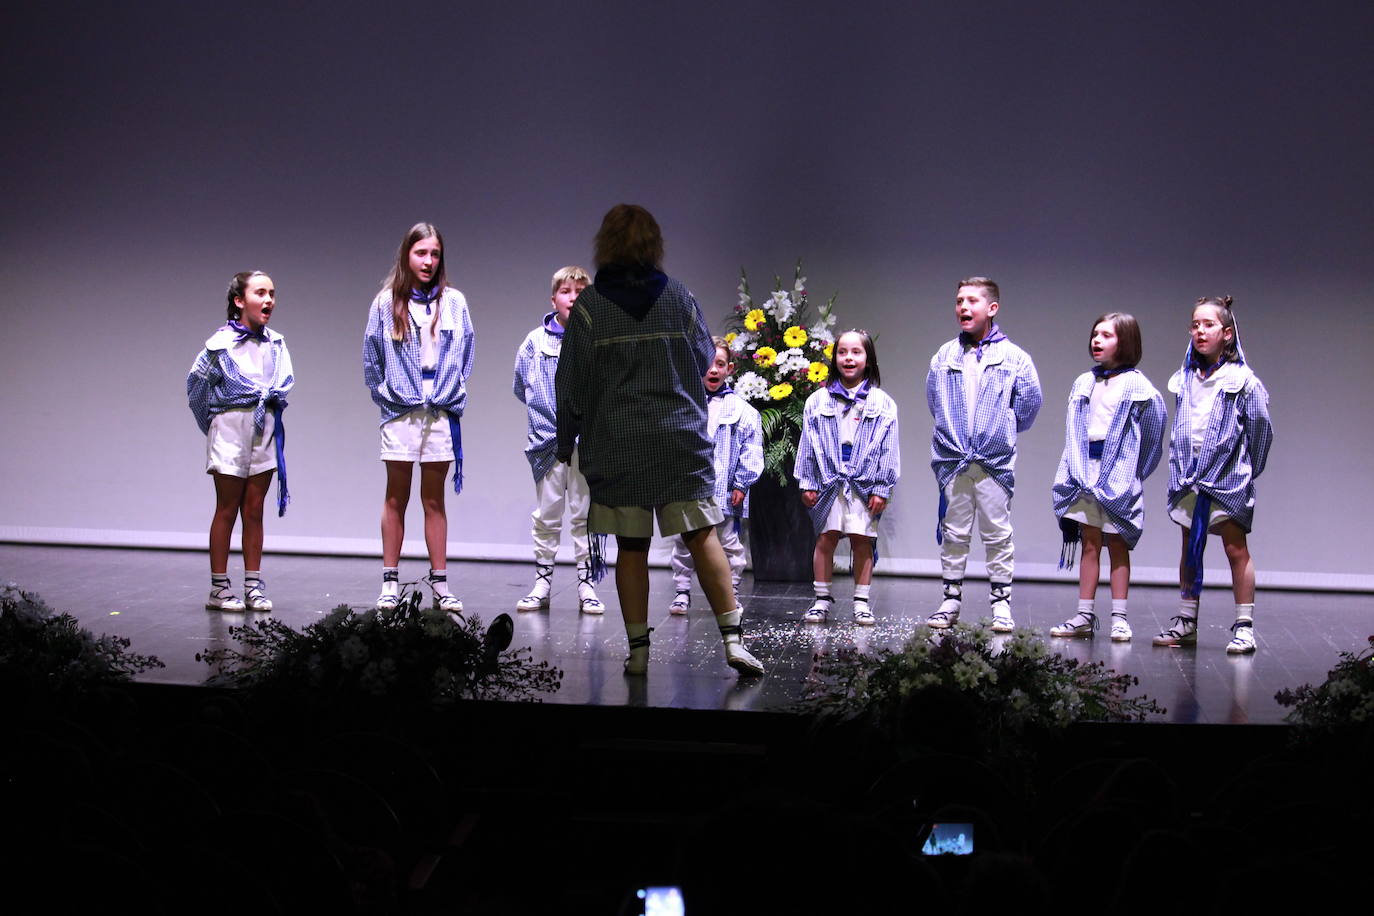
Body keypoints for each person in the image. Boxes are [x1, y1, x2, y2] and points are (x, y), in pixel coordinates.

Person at [554, 203, 763, 676]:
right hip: (678, 442)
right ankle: (733, 639)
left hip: (618, 443)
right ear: (654, 243)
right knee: (700, 533)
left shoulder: (589, 309)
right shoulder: (678, 298)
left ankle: (639, 652)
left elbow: (570, 385)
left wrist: (565, 443)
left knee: (632, 547)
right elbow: (705, 355)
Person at [362, 222, 475, 613]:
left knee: (434, 499)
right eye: (421, 253)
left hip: (439, 410)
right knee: (396, 494)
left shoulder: (455, 302)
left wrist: (450, 390)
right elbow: (371, 359)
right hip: (401, 412)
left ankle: (440, 583)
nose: (428, 261)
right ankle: (390, 581)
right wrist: (390, 397)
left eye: (435, 254)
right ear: (406, 256)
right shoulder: (385, 303)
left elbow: (467, 353)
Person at [1153, 296, 1273, 653]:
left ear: (1228, 333)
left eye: (1208, 325)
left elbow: (1261, 432)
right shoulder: (1185, 379)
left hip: (1226, 479)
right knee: (1189, 547)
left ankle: (1244, 625)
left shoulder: (1243, 381)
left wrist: (1245, 470)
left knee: (1235, 548)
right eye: (1195, 325)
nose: (1200, 331)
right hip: (1190, 479)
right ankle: (1187, 619)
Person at [926, 277, 1041, 631]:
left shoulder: (1015, 358)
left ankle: (1001, 604)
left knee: (997, 532)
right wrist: (955, 435)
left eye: (972, 300)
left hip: (993, 461)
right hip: (956, 458)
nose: (963, 307)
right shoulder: (945, 355)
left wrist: (998, 433)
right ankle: (950, 600)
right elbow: (935, 399)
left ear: (992, 308)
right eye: (959, 300)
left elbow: (1029, 404)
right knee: (955, 531)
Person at [1049, 313, 1166, 640]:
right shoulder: (1084, 382)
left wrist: (1132, 471)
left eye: (1107, 335)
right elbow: (1074, 428)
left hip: (1118, 476)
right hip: (1086, 472)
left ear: (1125, 342)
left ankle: (1119, 617)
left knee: (1117, 544)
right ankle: (1084, 613)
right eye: (1095, 334)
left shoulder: (1138, 386)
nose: (1097, 340)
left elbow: (1154, 434)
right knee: (1089, 542)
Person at [187, 270, 294, 611]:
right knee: (227, 508)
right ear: (239, 300)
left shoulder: (276, 344)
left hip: (262, 430)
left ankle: (253, 585)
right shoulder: (218, 345)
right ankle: (219, 588)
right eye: (260, 293)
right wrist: (216, 423)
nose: (269, 300)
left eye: (272, 294)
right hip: (230, 429)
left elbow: (284, 384)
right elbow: (196, 388)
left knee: (255, 510)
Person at [512, 266, 605, 614]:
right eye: (567, 292)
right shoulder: (534, 343)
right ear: (554, 299)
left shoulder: (597, 340)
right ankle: (543, 581)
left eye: (582, 292)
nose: (574, 298)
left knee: (584, 515)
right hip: (547, 442)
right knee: (548, 514)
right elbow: (522, 387)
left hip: (585, 442)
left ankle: (586, 584)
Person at [795, 330, 900, 625]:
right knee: (825, 538)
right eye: (842, 352)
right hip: (829, 481)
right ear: (834, 358)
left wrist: (882, 487)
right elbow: (807, 444)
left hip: (863, 483)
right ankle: (821, 599)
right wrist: (807, 481)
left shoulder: (883, 403)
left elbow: (888, 450)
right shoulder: (817, 401)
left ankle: (861, 601)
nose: (849, 358)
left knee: (862, 540)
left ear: (868, 360)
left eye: (856, 352)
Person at [667, 337, 763, 615]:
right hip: (689, 488)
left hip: (724, 489)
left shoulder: (743, 412)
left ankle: (730, 593)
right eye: (707, 363)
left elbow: (751, 450)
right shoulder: (684, 405)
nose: (713, 370)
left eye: (719, 364)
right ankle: (682, 591)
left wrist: (742, 483)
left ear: (729, 368)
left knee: (730, 544)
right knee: (683, 542)